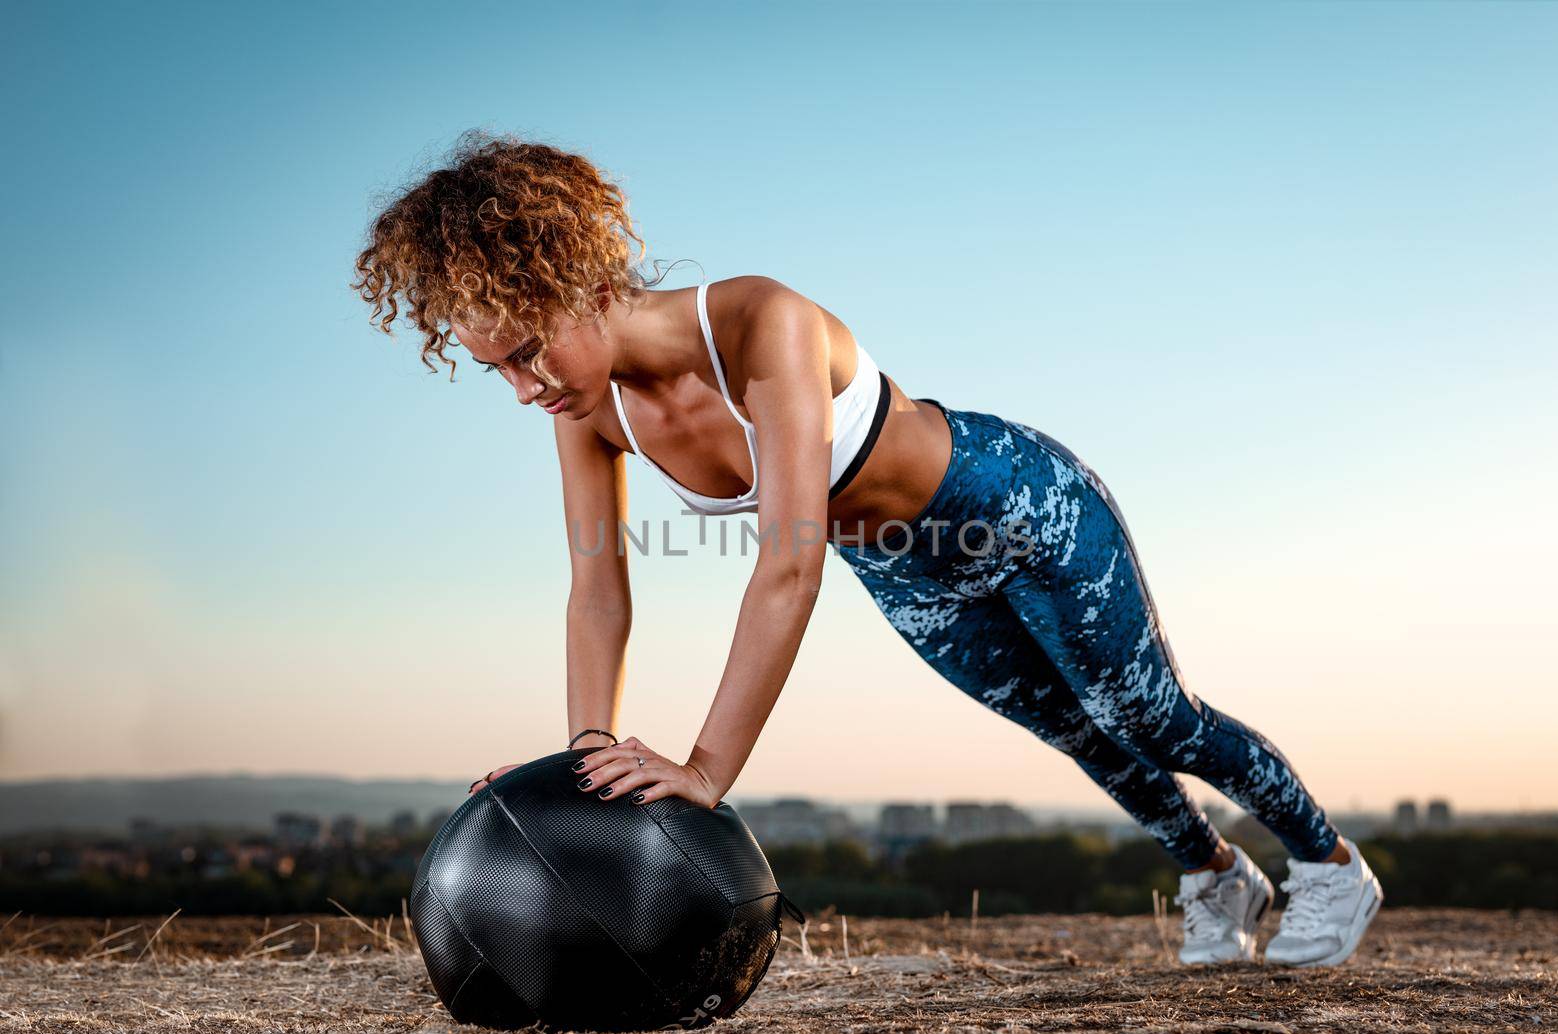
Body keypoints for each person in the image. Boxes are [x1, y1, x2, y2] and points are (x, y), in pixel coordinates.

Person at [354, 133, 1382, 968]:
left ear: (573, 279)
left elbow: (788, 561)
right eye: (499, 371)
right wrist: (584, 754)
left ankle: (1328, 862)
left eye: (529, 352)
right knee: (1079, 729)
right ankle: (1212, 872)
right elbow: (596, 588)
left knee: (1149, 713)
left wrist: (708, 767)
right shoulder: (586, 412)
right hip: (908, 571)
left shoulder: (761, 322)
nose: (526, 388)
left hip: (1016, 505)